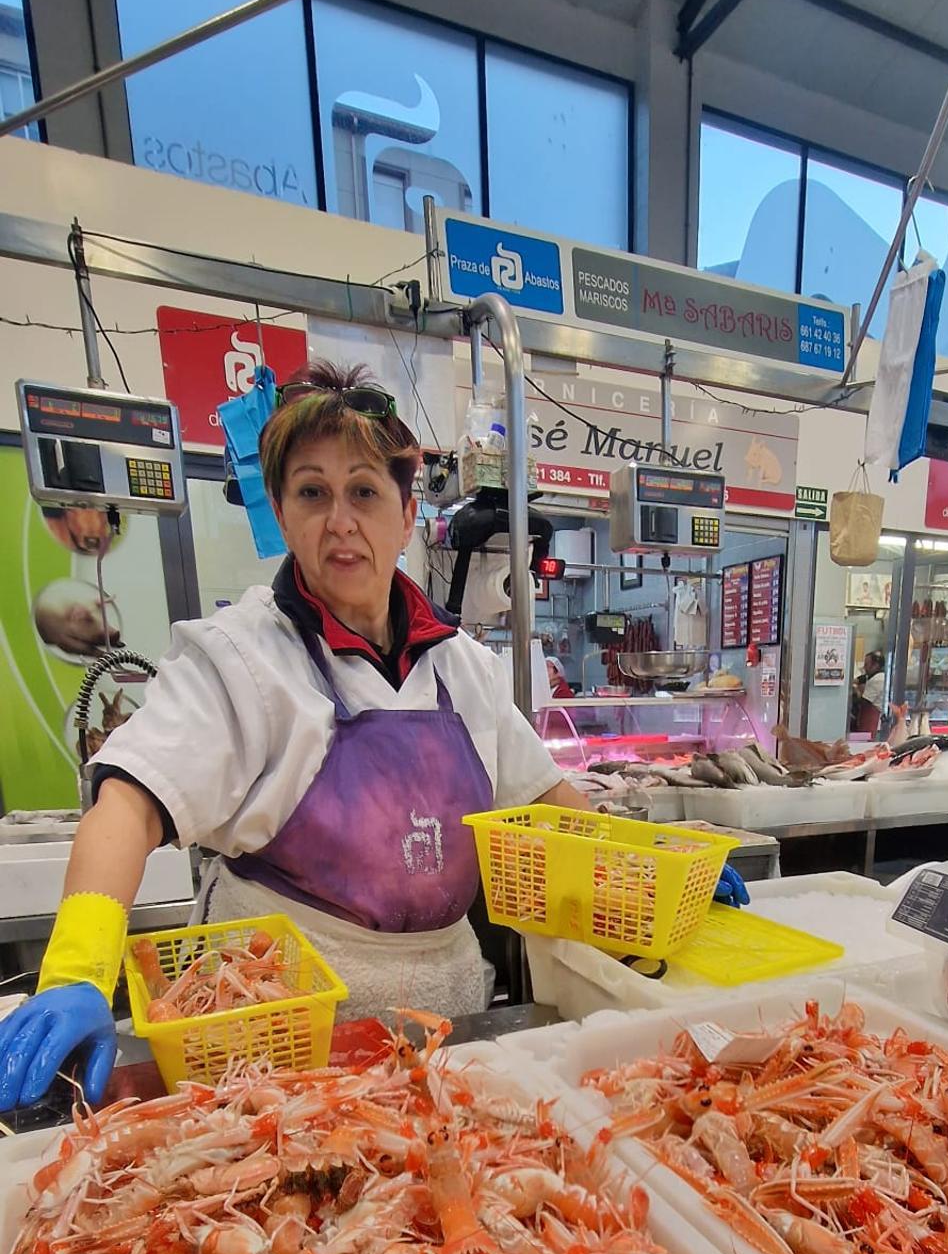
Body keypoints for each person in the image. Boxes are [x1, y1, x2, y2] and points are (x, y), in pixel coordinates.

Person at [0, 361, 580, 1111]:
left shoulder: (463, 667)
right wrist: (77, 969)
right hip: (271, 1053)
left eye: (365, 491)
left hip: (447, 1030)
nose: (340, 520)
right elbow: (129, 805)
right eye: (313, 492)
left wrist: (658, 869)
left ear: (406, 517)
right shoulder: (238, 657)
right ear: (281, 510)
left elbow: (551, 803)